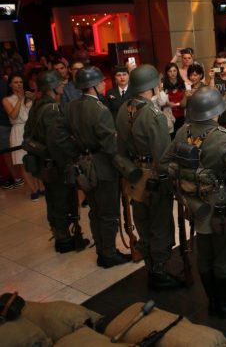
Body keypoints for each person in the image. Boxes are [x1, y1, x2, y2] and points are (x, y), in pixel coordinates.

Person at [161, 86, 226, 315]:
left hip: (193, 203)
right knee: (224, 255)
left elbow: (164, 164)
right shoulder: (224, 138)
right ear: (217, 110)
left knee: (204, 253)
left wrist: (186, 178)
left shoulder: (183, 131)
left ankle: (212, 302)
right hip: (219, 204)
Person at [115, 65, 182, 290]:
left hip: (133, 175)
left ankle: (150, 266)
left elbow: (120, 149)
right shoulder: (154, 115)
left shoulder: (124, 109)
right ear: (152, 86)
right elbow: (163, 156)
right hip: (154, 177)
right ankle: (159, 272)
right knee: (160, 224)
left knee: (142, 221)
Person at [56, 66, 130, 268]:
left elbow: (60, 137)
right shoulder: (100, 109)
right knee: (108, 214)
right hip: (103, 167)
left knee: (95, 211)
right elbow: (110, 146)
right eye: (102, 81)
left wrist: (78, 152)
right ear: (95, 85)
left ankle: (101, 251)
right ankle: (109, 254)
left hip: (83, 165)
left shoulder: (70, 106)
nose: (104, 84)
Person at [23, 70, 85, 252]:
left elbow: (28, 135)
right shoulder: (51, 109)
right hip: (56, 164)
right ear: (52, 87)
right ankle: (63, 239)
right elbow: (57, 141)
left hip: (45, 163)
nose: (63, 85)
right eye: (59, 83)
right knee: (61, 200)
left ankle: (60, 234)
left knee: (53, 198)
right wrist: (69, 161)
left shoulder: (36, 106)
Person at [2, 73, 41, 200]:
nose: (19, 84)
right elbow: (13, 116)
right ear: (10, 85)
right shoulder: (7, 100)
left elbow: (37, 112)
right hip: (18, 131)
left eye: (20, 82)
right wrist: (19, 99)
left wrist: (34, 99)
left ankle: (39, 188)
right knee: (24, 163)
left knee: (36, 161)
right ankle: (34, 191)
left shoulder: (29, 96)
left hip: (31, 129)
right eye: (15, 82)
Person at [162, 63, 186, 137]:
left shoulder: (183, 84)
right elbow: (158, 103)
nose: (172, 73)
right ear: (167, 73)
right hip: (169, 117)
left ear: (177, 71)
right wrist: (167, 104)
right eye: (170, 71)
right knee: (172, 137)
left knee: (182, 136)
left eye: (174, 71)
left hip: (182, 115)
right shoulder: (163, 85)